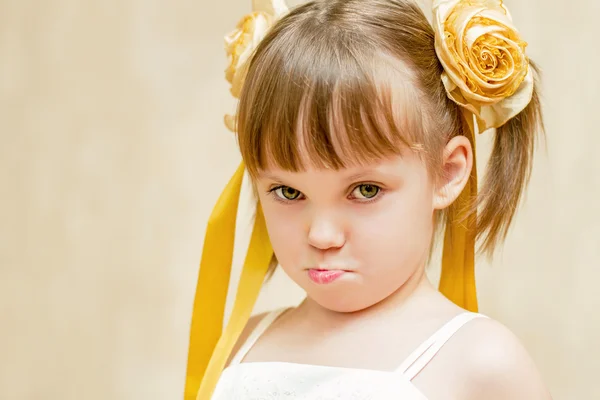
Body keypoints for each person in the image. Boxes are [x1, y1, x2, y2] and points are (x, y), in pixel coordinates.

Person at [185, 0, 552, 399]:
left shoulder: (481, 363)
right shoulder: (242, 346)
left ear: (446, 173)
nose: (322, 236)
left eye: (365, 190)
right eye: (289, 192)